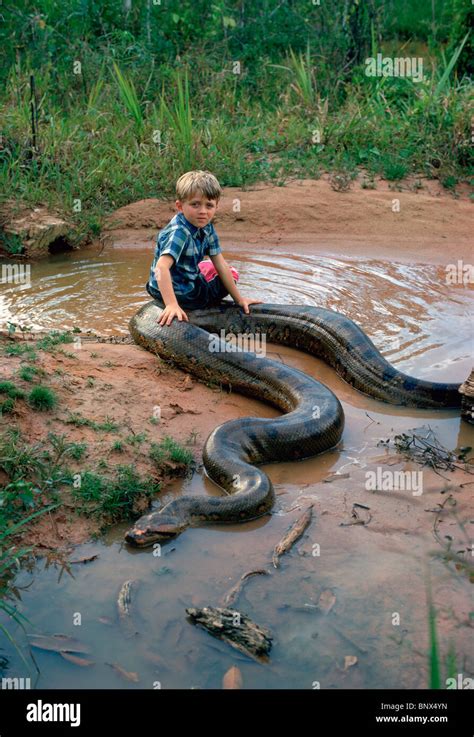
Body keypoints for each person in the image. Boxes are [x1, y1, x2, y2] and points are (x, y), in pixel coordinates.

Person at [146, 170, 263, 326]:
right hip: (184, 294)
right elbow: (161, 267)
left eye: (209, 205)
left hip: (156, 288)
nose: (202, 211)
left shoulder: (206, 227)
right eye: (195, 204)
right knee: (232, 273)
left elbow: (220, 264)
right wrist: (171, 305)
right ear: (180, 206)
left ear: (216, 206)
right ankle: (181, 305)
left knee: (209, 267)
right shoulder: (179, 233)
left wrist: (239, 300)